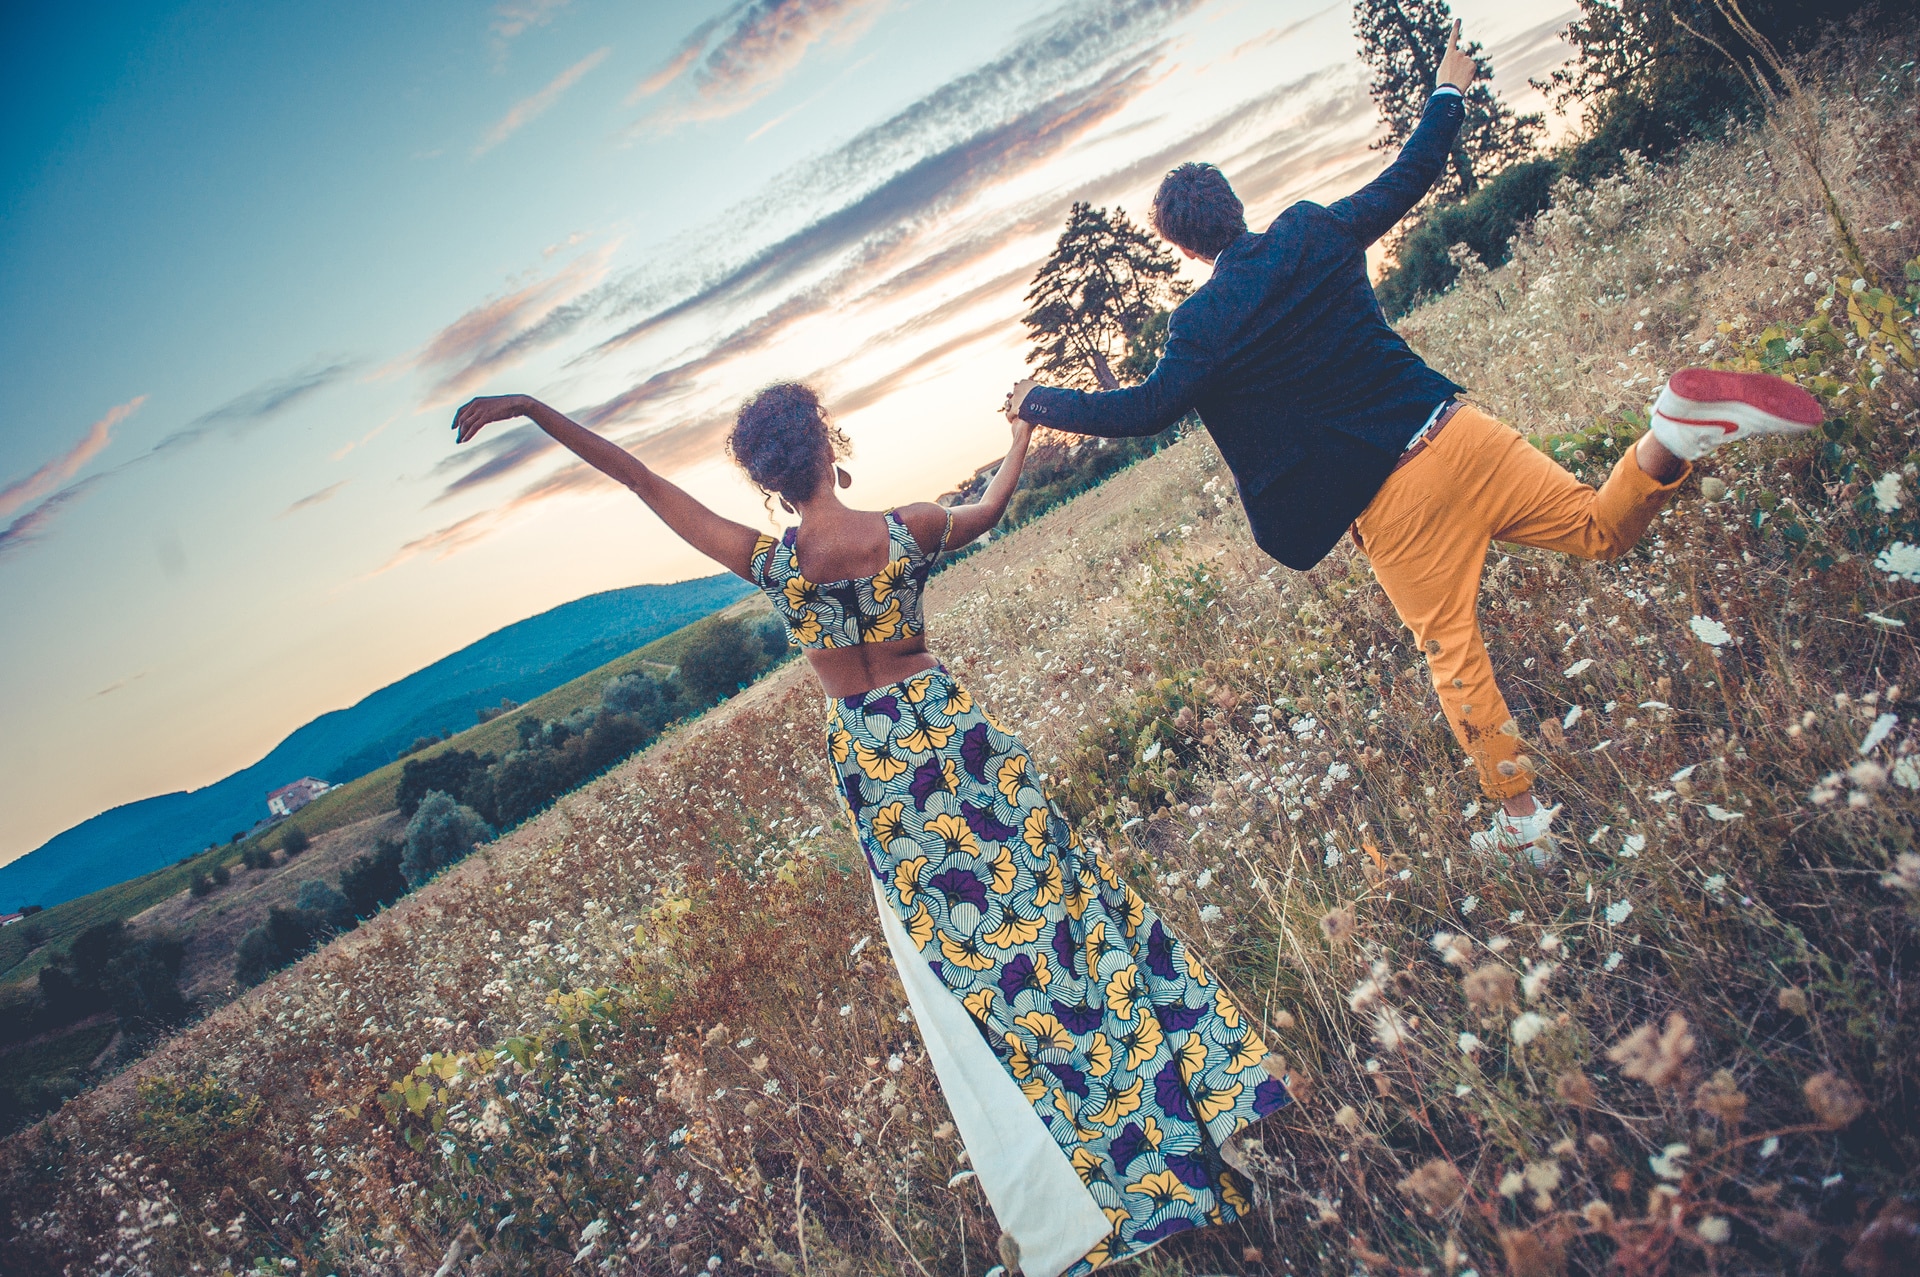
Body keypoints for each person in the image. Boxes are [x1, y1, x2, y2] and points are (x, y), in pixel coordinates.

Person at [450, 385, 1289, 1277]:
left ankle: (1097, 1184)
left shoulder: (773, 564)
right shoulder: (910, 529)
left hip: (885, 778)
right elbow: (994, 506)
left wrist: (537, 411)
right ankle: (1185, 1106)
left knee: (983, 984)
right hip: (962, 746)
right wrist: (1018, 433)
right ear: (825, 441)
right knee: (1070, 925)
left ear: (767, 478)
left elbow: (643, 481)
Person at [1003, 21, 1820, 861]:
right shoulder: (1313, 230)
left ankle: (1524, 822)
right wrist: (1447, 86)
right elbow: (1411, 176)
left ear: (1182, 243)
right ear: (1235, 205)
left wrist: (1041, 399)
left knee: (1454, 652)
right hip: (1460, 431)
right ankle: (1668, 436)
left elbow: (1144, 409)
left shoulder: (1201, 322)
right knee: (1598, 528)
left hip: (1397, 503)